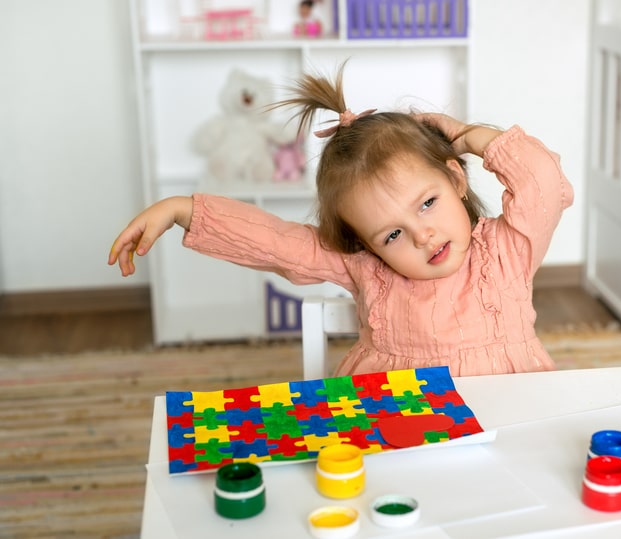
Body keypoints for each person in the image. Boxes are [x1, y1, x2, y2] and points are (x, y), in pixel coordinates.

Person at [108, 66, 574, 377]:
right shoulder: (365, 266)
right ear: (364, 243)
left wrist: (470, 136)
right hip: (393, 435)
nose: (421, 234)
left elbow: (544, 182)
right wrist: (183, 210)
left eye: (426, 203)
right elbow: (278, 243)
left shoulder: (507, 251)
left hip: (515, 425)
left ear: (455, 178)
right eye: (391, 234)